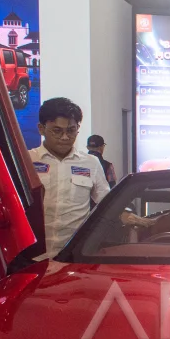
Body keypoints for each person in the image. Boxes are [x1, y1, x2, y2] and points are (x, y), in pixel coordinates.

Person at [30, 97, 111, 258]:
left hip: (74, 256)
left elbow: (106, 202)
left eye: (71, 130)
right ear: (41, 129)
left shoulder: (91, 163)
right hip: (33, 256)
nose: (65, 137)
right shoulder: (27, 161)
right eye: (57, 131)